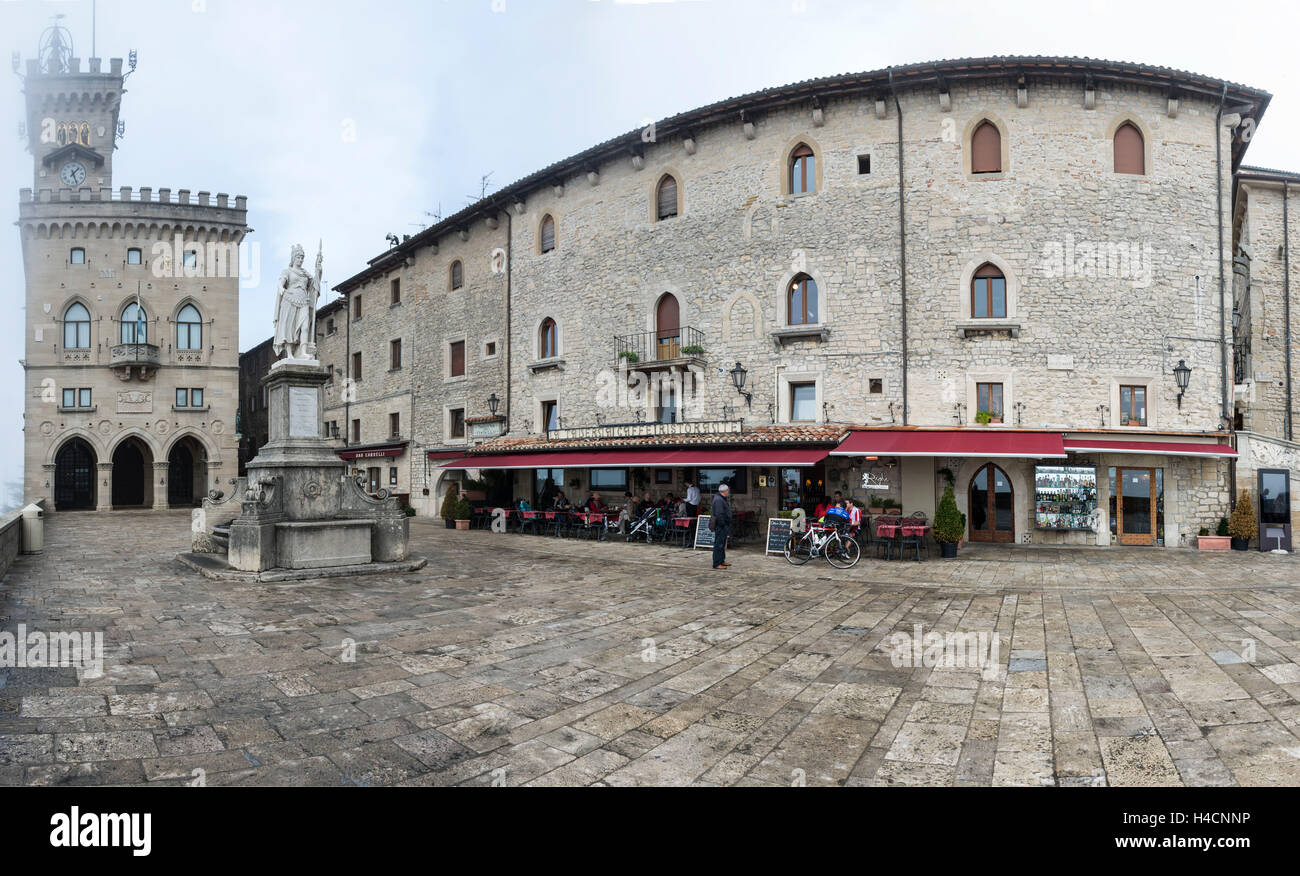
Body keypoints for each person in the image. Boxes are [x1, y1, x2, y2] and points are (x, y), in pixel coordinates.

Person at [711, 484, 733, 569]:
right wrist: (723, 524)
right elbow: (719, 514)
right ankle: (717, 563)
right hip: (721, 526)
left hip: (723, 525)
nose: (728, 492)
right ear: (725, 491)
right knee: (719, 544)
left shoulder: (721, 498)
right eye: (728, 490)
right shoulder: (719, 500)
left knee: (722, 543)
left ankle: (721, 560)